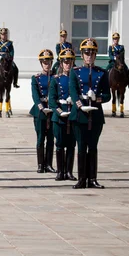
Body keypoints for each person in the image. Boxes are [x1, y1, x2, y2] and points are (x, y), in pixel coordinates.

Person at [69, 38, 111, 189]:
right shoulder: (75, 72)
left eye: (92, 53)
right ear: (82, 54)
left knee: (93, 147)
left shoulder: (102, 73)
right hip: (80, 115)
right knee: (81, 147)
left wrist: (97, 98)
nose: (89, 56)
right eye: (86, 53)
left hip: (96, 115)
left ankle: (92, 179)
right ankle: (81, 179)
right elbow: (73, 92)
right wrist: (80, 105)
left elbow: (108, 95)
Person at [48, 47, 77, 181]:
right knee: (59, 144)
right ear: (61, 64)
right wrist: (59, 112)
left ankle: (69, 172)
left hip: (72, 115)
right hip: (59, 116)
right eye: (65, 62)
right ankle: (60, 171)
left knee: (71, 144)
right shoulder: (56, 79)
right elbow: (52, 100)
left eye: (70, 62)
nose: (68, 65)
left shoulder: (76, 79)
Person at [30, 49, 56, 173]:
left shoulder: (56, 77)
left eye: (49, 62)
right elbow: (35, 95)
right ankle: (40, 164)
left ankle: (49, 164)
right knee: (41, 138)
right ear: (41, 63)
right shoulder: (36, 78)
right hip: (40, 111)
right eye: (45, 62)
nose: (47, 64)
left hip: (52, 110)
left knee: (51, 138)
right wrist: (41, 107)